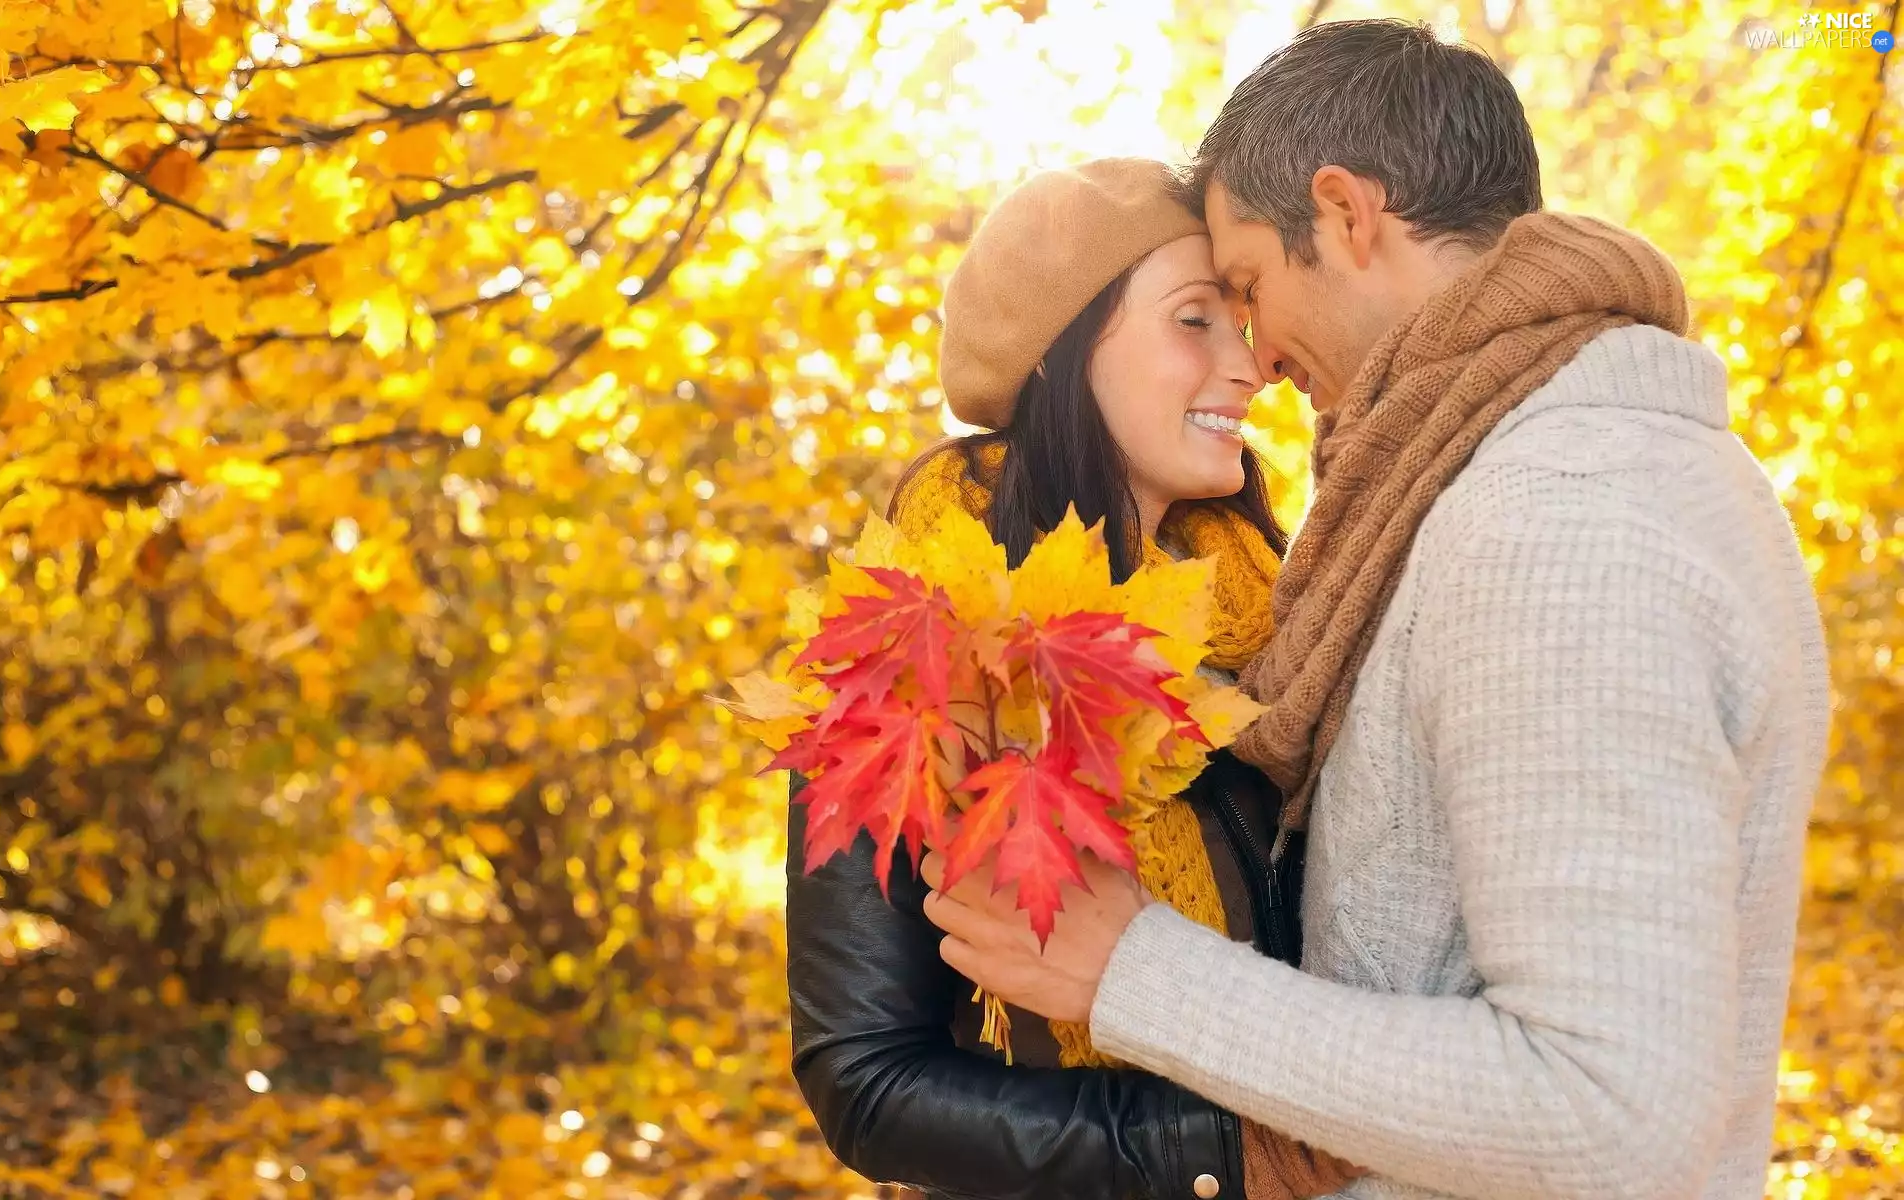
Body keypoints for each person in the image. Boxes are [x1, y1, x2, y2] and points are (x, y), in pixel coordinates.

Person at [921, 20, 1831, 1200]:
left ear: (1347, 213)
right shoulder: (1562, 474)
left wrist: (1135, 971)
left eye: (1247, 288)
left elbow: (1611, 1114)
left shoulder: (1561, 524)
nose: (1259, 356)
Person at [785, 158, 1359, 1200]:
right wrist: (1218, 1156)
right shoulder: (922, 663)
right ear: (1061, 354)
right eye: (1196, 321)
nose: (1249, 363)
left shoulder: (1277, 629)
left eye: (1243, 317)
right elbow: (865, 1080)